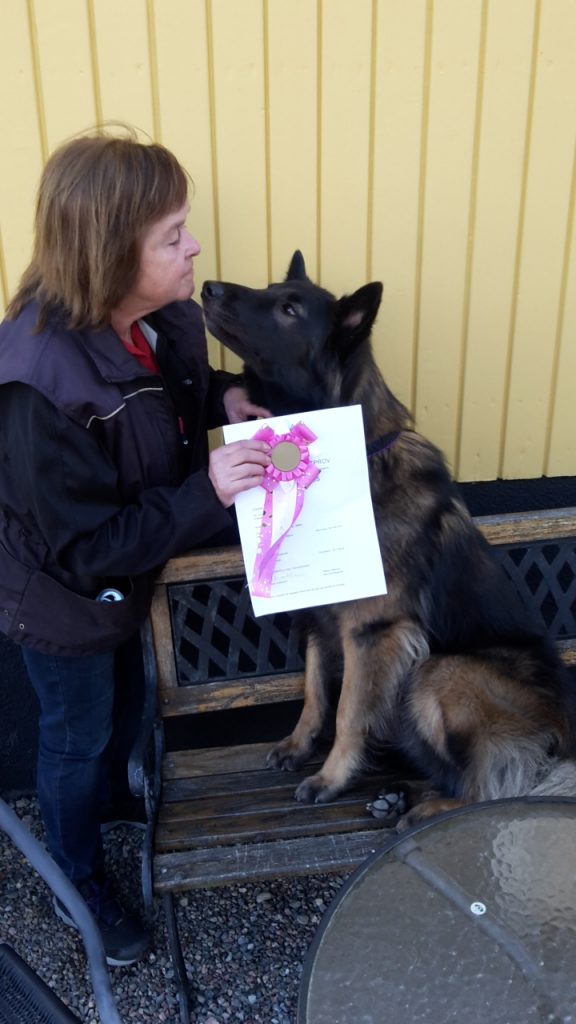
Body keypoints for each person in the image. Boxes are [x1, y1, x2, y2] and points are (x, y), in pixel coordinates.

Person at [0, 130, 271, 966]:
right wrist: (210, 490)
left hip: (130, 572)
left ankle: (111, 803)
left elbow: (172, 399)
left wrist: (226, 395)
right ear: (112, 253)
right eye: (172, 235)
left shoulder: (153, 318)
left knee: (122, 708)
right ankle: (75, 875)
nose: (194, 248)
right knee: (76, 733)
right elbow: (89, 550)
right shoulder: (41, 381)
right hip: (65, 596)